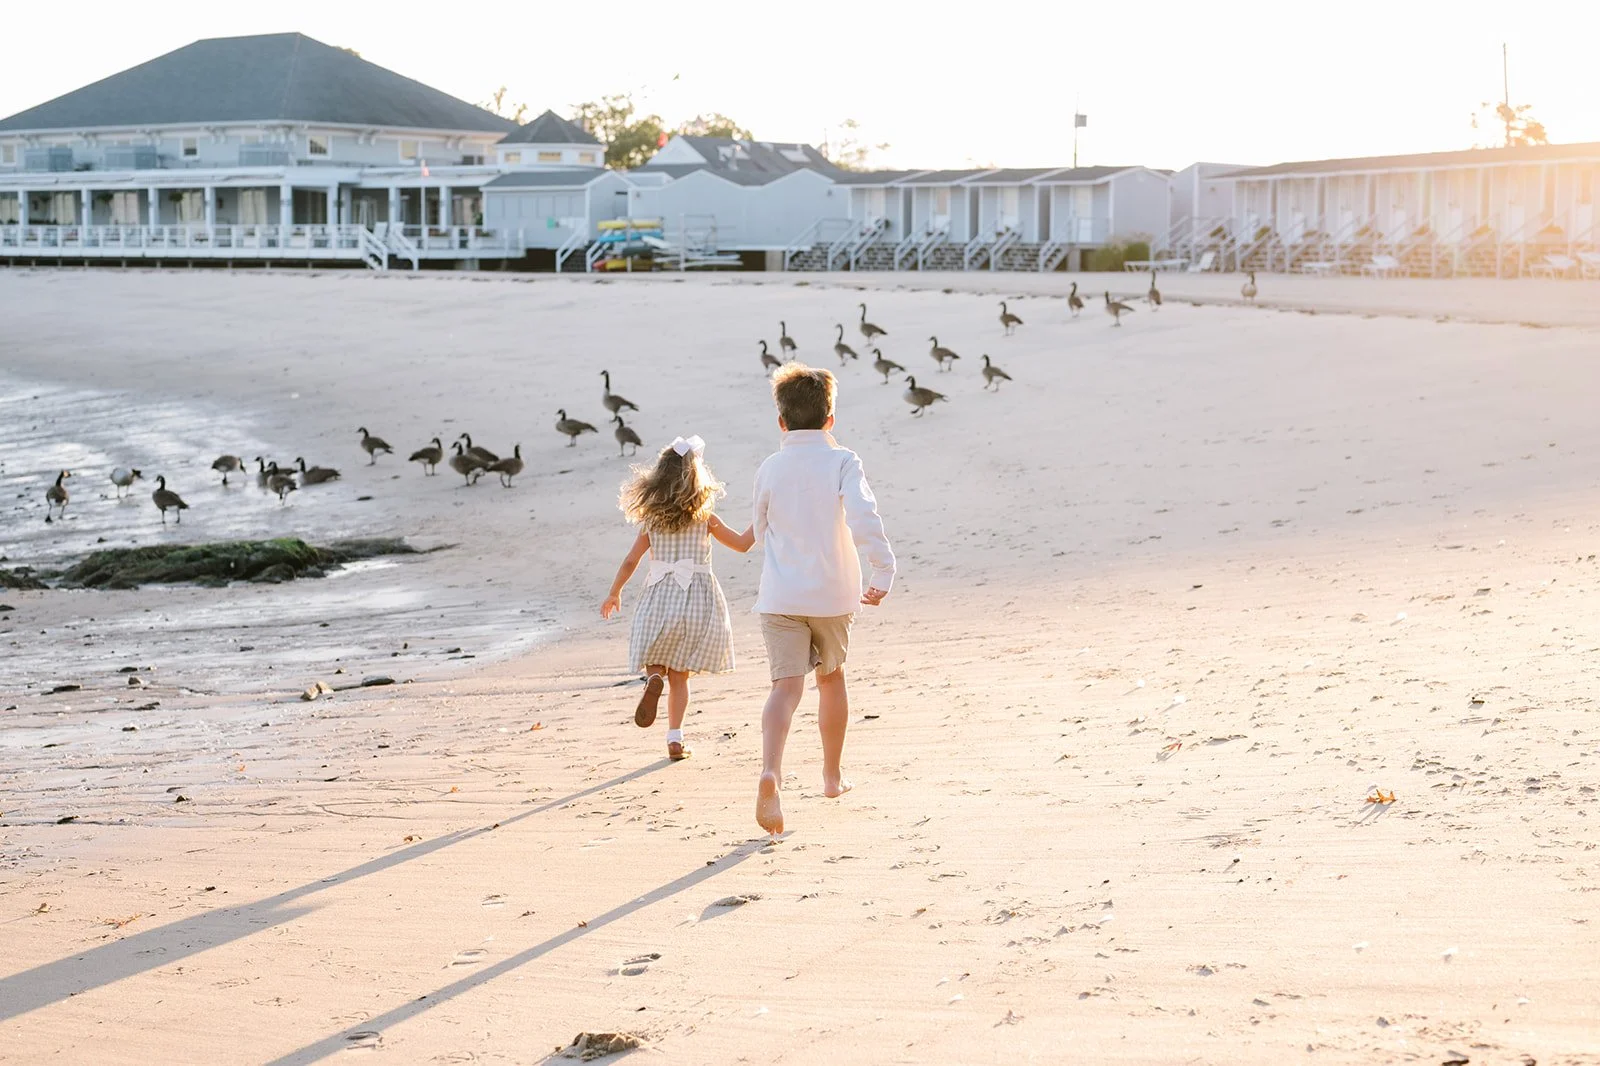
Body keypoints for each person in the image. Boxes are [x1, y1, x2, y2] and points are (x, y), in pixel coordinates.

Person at [751, 364, 896, 837]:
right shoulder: (843, 461)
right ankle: (832, 778)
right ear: (830, 419)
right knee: (830, 681)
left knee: (784, 689)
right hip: (832, 596)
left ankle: (771, 770)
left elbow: (760, 529)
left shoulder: (769, 468)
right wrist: (882, 569)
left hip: (780, 596)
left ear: (781, 422)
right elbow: (863, 514)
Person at [602, 434, 753, 760]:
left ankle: (654, 677)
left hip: (659, 597)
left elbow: (631, 561)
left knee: (658, 659)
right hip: (695, 600)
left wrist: (615, 592)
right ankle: (675, 738)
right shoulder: (706, 519)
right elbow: (742, 544)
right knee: (681, 675)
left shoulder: (651, 520)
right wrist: (765, 518)